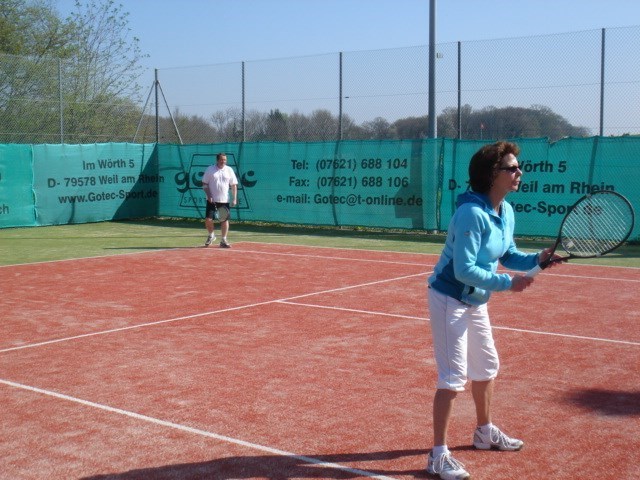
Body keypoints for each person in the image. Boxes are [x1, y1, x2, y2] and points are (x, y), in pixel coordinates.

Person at [425, 141, 562, 480]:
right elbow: (463, 270)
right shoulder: (470, 214)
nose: (519, 172)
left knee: (487, 366)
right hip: (449, 298)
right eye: (511, 168)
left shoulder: (506, 211)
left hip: (476, 300)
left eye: (518, 167)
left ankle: (484, 432)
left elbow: (509, 254)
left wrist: (537, 259)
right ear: (491, 175)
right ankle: (438, 455)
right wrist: (507, 283)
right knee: (453, 377)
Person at [202, 152, 238, 248]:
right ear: (217, 160)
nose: (223, 161)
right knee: (208, 219)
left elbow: (234, 185)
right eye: (222, 160)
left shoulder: (229, 170)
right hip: (211, 200)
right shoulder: (210, 169)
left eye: (225, 160)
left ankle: (223, 240)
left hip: (224, 200)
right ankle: (211, 235)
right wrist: (209, 195)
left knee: (224, 220)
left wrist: (234, 198)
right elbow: (204, 184)